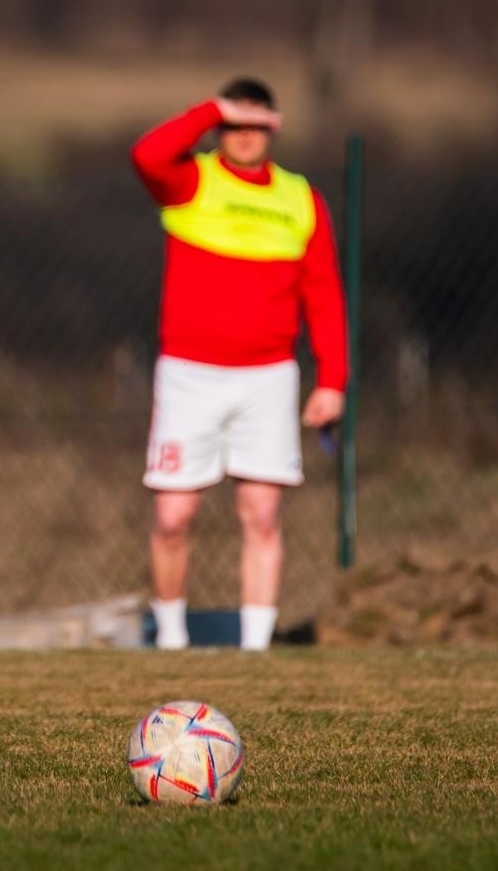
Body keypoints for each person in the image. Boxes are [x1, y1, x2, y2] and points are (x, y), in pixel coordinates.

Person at [131, 78, 348, 651]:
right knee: (173, 516)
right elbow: (146, 153)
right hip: (188, 374)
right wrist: (208, 109)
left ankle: (256, 651)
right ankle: (171, 642)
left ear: (274, 128)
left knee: (262, 513)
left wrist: (332, 380)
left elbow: (324, 293)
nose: (245, 136)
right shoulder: (190, 180)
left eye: (256, 124)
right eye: (234, 124)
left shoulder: (301, 198)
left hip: (269, 378)